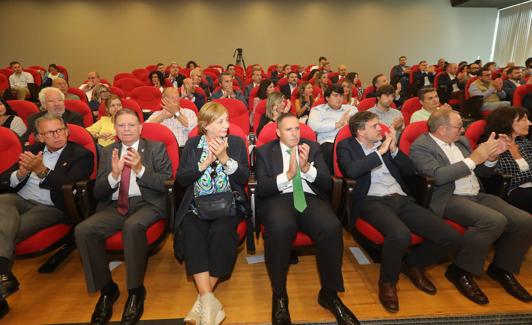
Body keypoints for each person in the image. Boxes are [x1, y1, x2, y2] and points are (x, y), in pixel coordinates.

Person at [337, 111, 461, 313]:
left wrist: (393, 150)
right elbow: (351, 171)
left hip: (400, 198)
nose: (381, 129)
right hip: (371, 200)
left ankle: (413, 264)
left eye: (379, 125)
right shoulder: (347, 146)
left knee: (450, 237)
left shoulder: (386, 144)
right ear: (360, 131)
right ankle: (387, 282)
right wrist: (379, 153)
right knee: (399, 234)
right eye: (375, 126)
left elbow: (411, 170)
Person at [410, 109, 532, 304]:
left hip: (476, 193)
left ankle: (502, 268)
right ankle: (461, 271)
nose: (464, 130)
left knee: (524, 221)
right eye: (459, 126)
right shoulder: (422, 146)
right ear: (442, 129)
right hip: (449, 197)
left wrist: (491, 158)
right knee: (493, 221)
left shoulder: (462, 142)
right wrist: (474, 158)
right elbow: (438, 176)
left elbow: (483, 173)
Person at [255, 113, 360, 325]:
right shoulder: (265, 152)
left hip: (308, 198)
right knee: (281, 227)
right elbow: (263, 188)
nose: (295, 134)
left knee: (331, 227)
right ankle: (280, 295)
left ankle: (330, 295)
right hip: (279, 198)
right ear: (278, 132)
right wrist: (288, 175)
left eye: (297, 129)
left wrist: (306, 169)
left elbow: (327, 184)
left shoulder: (313, 147)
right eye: (288, 130)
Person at [75, 109, 173, 325]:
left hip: (148, 204)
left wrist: (139, 169)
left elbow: (166, 185)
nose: (126, 129)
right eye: (121, 125)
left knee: (132, 226)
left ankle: (136, 290)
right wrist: (114, 175)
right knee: (83, 230)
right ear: (115, 129)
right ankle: (107, 290)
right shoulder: (108, 151)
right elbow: (98, 192)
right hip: (115, 206)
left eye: (131, 125)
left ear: (140, 127)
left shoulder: (156, 148)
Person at [0, 114, 93, 320]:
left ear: (67, 131)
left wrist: (42, 170)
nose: (57, 135)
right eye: (50, 133)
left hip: (51, 206)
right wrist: (20, 174)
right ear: (39, 137)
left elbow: (70, 184)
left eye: (60, 130)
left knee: (7, 230)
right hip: (20, 199)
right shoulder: (32, 151)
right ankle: (3, 275)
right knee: (2, 202)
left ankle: (3, 278)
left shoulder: (81, 154)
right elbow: (4, 179)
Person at [173, 102, 249, 325]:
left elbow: (244, 178)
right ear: (205, 125)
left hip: (228, 205)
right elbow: (182, 179)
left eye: (227, 119)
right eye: (221, 121)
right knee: (192, 232)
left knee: (222, 232)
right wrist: (204, 163)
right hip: (197, 205)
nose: (227, 125)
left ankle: (203, 301)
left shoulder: (235, 143)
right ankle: (209, 301)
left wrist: (225, 158)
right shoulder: (193, 144)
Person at [485, 106, 532, 213]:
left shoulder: (525, 143)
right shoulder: (493, 147)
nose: (529, 123)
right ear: (508, 122)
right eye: (524, 119)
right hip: (511, 192)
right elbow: (501, 180)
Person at [308, 84, 357, 173]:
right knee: (336, 151)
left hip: (349, 141)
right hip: (328, 143)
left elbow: (361, 126)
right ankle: (336, 181)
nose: (339, 98)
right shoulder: (318, 110)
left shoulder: (351, 109)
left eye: (341, 96)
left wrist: (351, 124)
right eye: (335, 95)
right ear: (327, 98)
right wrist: (337, 124)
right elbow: (312, 126)